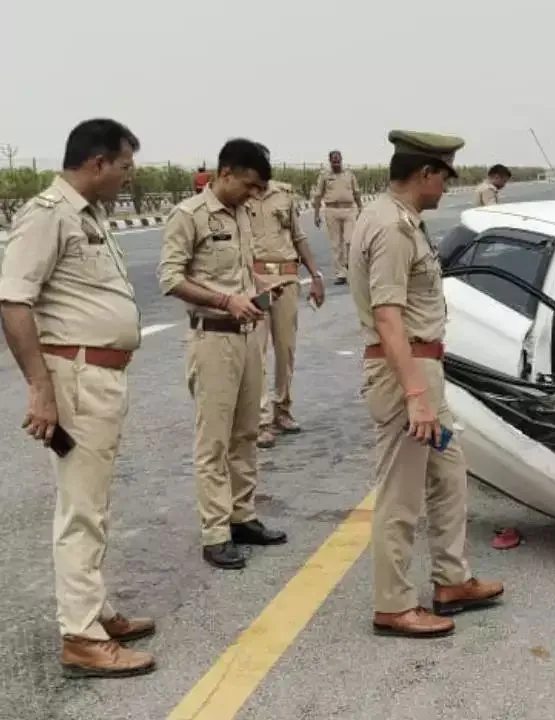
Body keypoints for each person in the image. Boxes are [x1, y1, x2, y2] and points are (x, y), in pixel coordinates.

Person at [0, 118, 156, 678]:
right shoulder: (47, 215)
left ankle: (96, 610)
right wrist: (41, 389)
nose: (127, 178)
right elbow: (14, 302)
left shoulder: (87, 215)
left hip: (100, 376)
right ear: (97, 164)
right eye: (124, 167)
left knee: (94, 503)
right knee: (80, 511)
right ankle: (82, 638)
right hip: (76, 377)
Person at [348, 130, 504, 638]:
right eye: (442, 176)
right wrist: (415, 394)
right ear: (424, 175)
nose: (444, 187)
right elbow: (389, 317)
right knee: (401, 492)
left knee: (448, 476)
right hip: (404, 374)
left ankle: (451, 580)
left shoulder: (401, 221)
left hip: (422, 370)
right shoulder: (392, 228)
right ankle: (393, 604)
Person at [157, 138, 288, 570]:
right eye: (248, 185)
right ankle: (215, 532)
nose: (253, 195)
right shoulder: (188, 216)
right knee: (213, 439)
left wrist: (256, 291)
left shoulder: (242, 213)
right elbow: (170, 279)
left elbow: (238, 270)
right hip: (212, 337)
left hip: (248, 335)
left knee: (246, 432)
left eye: (257, 189)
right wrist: (225, 301)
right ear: (225, 173)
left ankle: (241, 515)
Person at [245, 175, 326, 448]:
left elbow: (298, 236)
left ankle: (283, 408)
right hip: (255, 283)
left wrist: (315, 275)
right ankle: (261, 419)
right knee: (256, 349)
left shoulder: (284, 194)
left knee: (285, 348)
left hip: (287, 279)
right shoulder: (240, 195)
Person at [311, 149, 362, 285]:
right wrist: (316, 214)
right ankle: (340, 274)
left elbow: (356, 192)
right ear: (330, 161)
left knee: (350, 241)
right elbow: (318, 195)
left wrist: (361, 208)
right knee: (336, 244)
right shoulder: (325, 175)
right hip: (332, 210)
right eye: (334, 160)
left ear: (341, 160)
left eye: (338, 160)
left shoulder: (349, 174)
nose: (336, 163)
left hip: (348, 210)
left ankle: (351, 269)